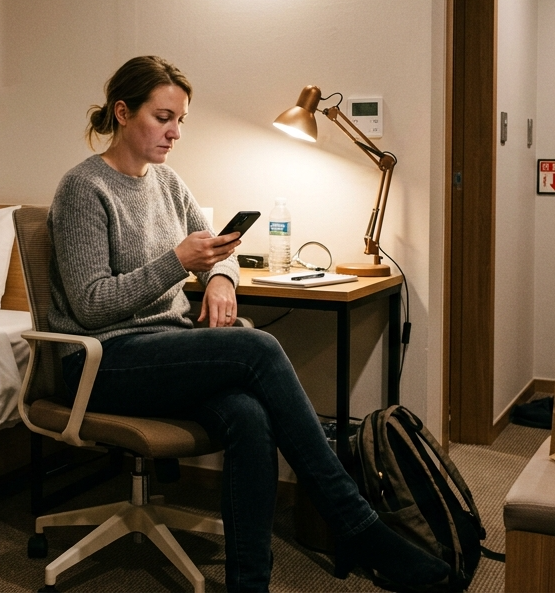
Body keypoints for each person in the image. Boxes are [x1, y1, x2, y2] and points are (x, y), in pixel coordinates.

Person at [47, 56, 451, 592]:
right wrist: (177, 263)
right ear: (123, 112)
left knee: (248, 412)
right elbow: (92, 305)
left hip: (161, 351)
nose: (176, 132)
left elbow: (221, 251)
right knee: (257, 349)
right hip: (98, 360)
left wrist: (221, 281)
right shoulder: (83, 188)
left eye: (182, 120)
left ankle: (249, 583)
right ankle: (357, 525)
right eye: (164, 117)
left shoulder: (167, 183)